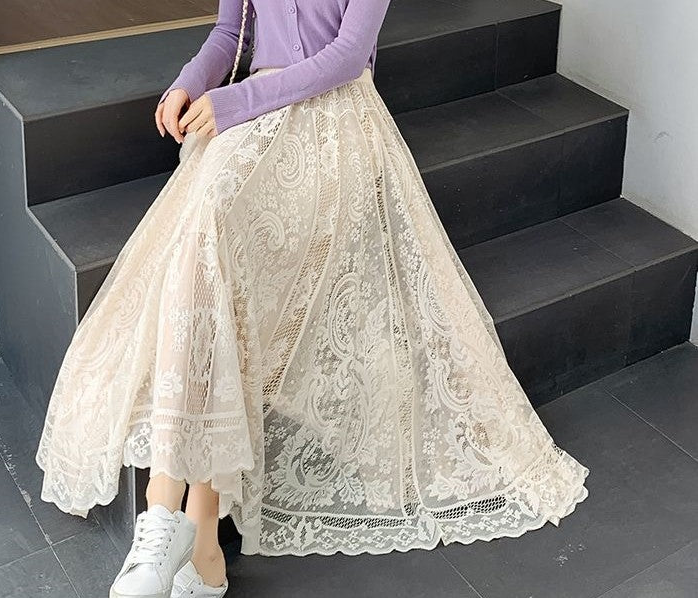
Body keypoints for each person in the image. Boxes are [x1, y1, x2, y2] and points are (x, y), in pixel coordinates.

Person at [34, 1, 591, 597]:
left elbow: (347, 57)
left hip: (336, 119)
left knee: (215, 241)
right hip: (255, 120)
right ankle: (187, 528)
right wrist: (188, 84)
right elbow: (230, 31)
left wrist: (231, 103)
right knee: (206, 247)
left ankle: (172, 522)